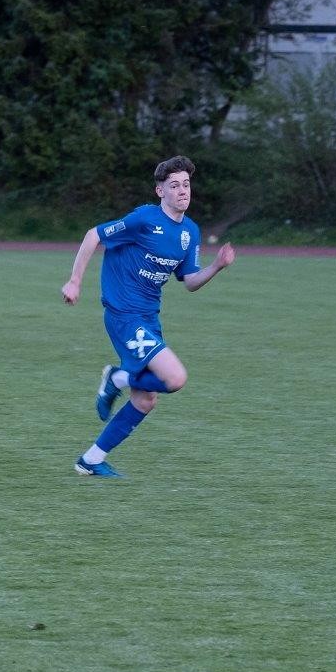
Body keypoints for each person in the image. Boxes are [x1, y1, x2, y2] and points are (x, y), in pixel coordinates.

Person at [60, 155, 236, 478]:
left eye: (186, 184)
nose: (182, 191)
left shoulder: (190, 232)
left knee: (145, 401)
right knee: (175, 378)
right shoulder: (144, 219)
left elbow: (190, 281)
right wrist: (75, 281)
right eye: (174, 185)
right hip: (124, 316)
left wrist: (217, 266)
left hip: (149, 318)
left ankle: (90, 460)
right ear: (160, 191)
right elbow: (93, 235)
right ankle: (117, 379)